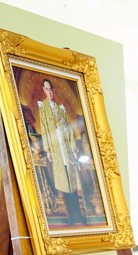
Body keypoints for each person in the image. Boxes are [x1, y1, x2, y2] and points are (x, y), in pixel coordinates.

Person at [37, 78, 85, 225]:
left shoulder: (60, 108)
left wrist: (73, 147)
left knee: (71, 180)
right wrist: (48, 151)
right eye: (46, 89)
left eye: (51, 89)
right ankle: (71, 215)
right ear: (44, 90)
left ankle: (78, 214)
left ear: (53, 90)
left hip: (66, 148)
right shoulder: (43, 108)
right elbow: (45, 130)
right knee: (64, 182)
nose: (49, 92)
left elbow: (69, 130)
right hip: (56, 150)